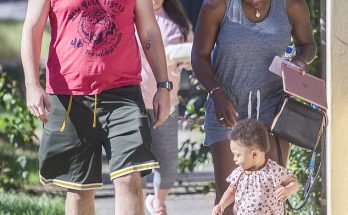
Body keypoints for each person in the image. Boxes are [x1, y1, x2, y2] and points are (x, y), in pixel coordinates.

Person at [21, 0, 172, 214]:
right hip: (69, 96)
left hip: (123, 94)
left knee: (129, 178)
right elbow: (32, 28)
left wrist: (163, 85)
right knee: (79, 190)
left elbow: (149, 30)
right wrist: (32, 85)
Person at [191, 0, 316, 213]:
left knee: (271, 198)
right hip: (228, 107)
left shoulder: (290, 5)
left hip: (272, 107)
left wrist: (299, 63)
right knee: (229, 200)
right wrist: (217, 94)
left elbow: (308, 45)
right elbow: (199, 56)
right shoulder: (217, 6)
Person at [138, 0, 193, 214]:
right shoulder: (130, 16)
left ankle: (157, 199)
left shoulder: (178, 22)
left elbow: (194, 54)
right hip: (134, 101)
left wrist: (183, 60)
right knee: (135, 166)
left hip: (167, 102)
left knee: (168, 164)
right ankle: (140, 204)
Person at [212, 119, 299, 215]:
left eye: (238, 155)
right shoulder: (239, 173)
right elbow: (231, 191)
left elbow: (293, 182)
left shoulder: (273, 170)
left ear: (254, 154)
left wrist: (288, 189)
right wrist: (221, 205)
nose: (234, 159)